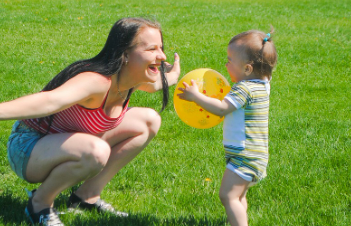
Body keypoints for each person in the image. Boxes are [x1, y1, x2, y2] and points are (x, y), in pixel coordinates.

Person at [2, 17, 180, 225]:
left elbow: (156, 84)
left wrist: (174, 74)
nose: (162, 55)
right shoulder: (96, 82)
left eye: (161, 48)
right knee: (97, 151)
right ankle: (39, 204)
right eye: (152, 49)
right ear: (125, 54)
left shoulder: (131, 80)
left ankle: (86, 197)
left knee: (149, 120)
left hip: (61, 145)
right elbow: (49, 101)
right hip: (28, 148)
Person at [177, 30, 277, 226]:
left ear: (247, 69)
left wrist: (196, 96)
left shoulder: (244, 89)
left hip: (244, 154)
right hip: (256, 154)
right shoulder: (263, 84)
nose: (226, 65)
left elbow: (222, 108)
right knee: (238, 196)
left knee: (228, 196)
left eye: (230, 61)